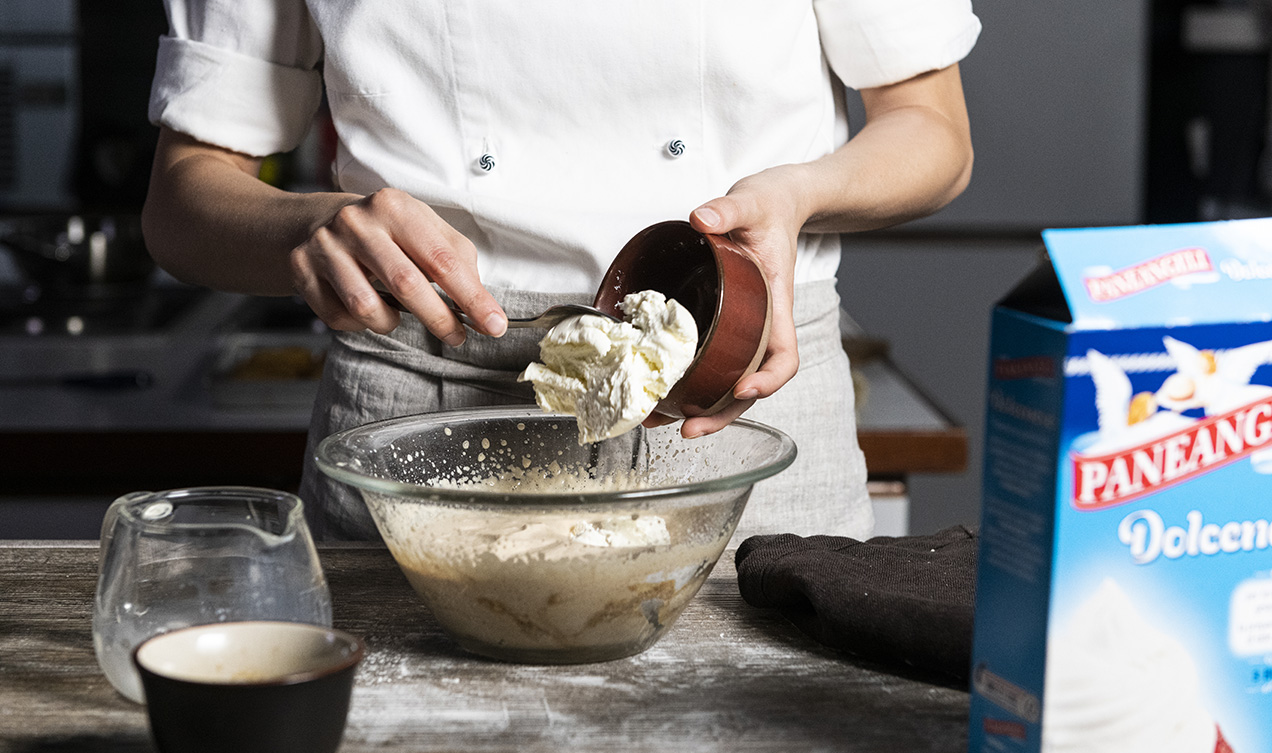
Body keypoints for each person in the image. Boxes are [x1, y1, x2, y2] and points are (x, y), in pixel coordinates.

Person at [142, 2, 980, 541]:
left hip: (734, 400)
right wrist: (312, 224)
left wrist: (799, 195)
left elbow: (932, 131)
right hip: (420, 407)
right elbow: (182, 206)